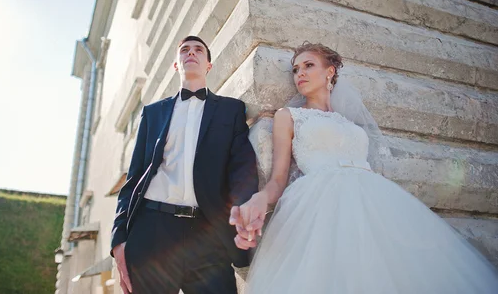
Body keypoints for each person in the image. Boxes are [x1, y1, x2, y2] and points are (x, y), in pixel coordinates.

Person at [230, 42, 498, 293]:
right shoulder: (288, 116)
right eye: (296, 69)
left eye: (309, 65)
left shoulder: (350, 122)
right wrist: (258, 201)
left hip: (376, 199)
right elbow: (277, 179)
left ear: (329, 72)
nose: (299, 73)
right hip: (321, 204)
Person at [111, 36, 258, 294]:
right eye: (185, 50)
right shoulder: (152, 113)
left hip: (208, 234)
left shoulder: (231, 110)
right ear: (176, 65)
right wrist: (118, 239)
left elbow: (242, 170)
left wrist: (243, 213)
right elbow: (134, 179)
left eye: (199, 50)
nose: (191, 53)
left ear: (209, 65)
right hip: (152, 231)